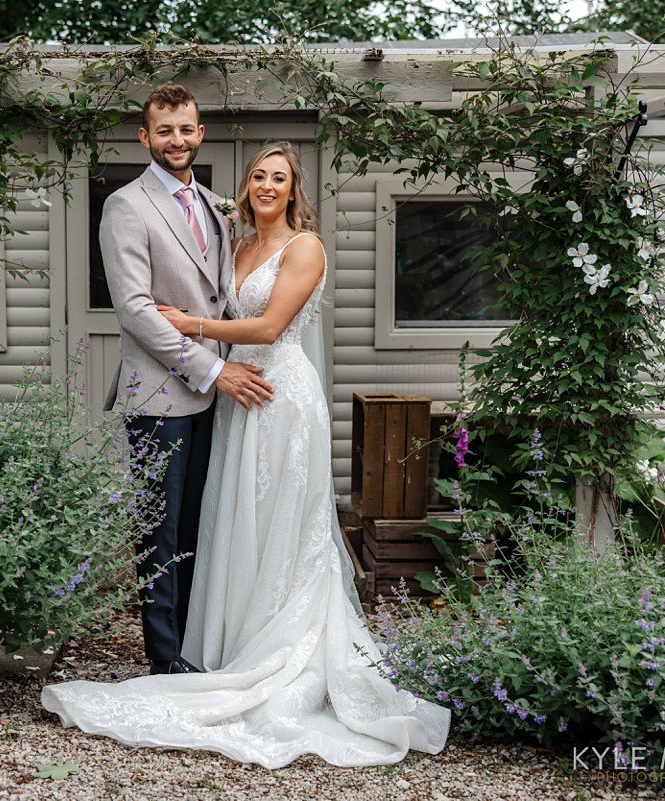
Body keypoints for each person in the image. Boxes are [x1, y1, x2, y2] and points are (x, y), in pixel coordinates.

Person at [42, 140, 451, 769]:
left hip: (279, 395)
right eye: (258, 175)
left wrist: (190, 326)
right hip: (233, 395)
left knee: (281, 522)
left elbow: (266, 329)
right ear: (247, 187)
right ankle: (235, 644)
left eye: (278, 178)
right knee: (237, 517)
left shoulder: (303, 247)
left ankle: (283, 648)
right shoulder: (236, 243)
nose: (266, 185)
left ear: (294, 191)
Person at [93, 83, 274, 676]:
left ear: (201, 133)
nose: (177, 140)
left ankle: (194, 643)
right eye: (164, 131)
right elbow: (136, 310)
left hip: (213, 397)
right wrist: (214, 368)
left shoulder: (220, 206)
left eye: (187, 129)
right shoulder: (126, 206)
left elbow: (222, 298)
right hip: (161, 394)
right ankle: (164, 661)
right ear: (145, 137)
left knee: (200, 520)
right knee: (160, 528)